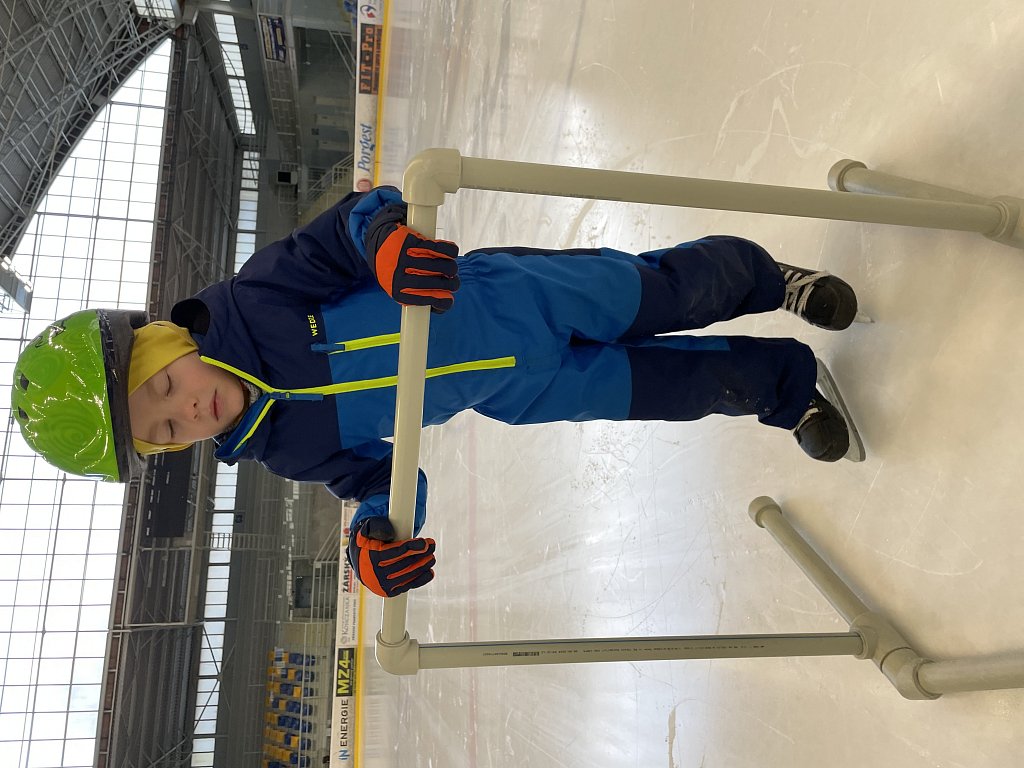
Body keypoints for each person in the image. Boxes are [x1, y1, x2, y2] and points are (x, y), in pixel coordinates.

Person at [11, 186, 861, 599]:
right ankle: (788, 390)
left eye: (165, 384)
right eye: (165, 428)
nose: (187, 409)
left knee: (667, 292)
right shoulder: (286, 449)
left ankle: (769, 279)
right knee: (676, 387)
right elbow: (383, 480)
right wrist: (372, 540)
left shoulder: (255, 300)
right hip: (519, 388)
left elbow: (348, 226)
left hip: (516, 296)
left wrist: (384, 245)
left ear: (167, 342)